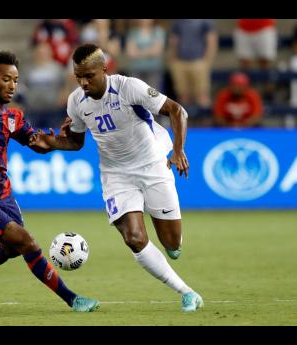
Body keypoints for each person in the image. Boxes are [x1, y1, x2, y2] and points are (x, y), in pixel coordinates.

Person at [29, 43, 204, 312]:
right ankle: (187, 292)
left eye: (89, 76)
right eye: (79, 77)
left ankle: (170, 240)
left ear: (104, 69)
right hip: (116, 175)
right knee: (133, 237)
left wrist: (178, 150)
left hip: (154, 165)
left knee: (172, 244)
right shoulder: (76, 100)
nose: (84, 82)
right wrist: (52, 143)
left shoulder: (128, 87)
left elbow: (177, 110)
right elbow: (75, 142)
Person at [0, 51, 99, 312]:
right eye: (6, 79)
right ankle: (73, 299)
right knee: (27, 242)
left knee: (13, 247)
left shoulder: (12, 117)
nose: (12, 86)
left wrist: (62, 139)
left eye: (16, 80)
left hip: (4, 195)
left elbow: (38, 144)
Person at [167, 19, 218, 108]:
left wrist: (207, 61)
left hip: (198, 61)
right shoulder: (177, 22)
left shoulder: (205, 21)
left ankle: (204, 120)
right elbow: (174, 40)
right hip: (180, 62)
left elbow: (211, 39)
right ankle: (184, 121)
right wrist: (173, 60)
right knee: (183, 95)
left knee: (202, 95)